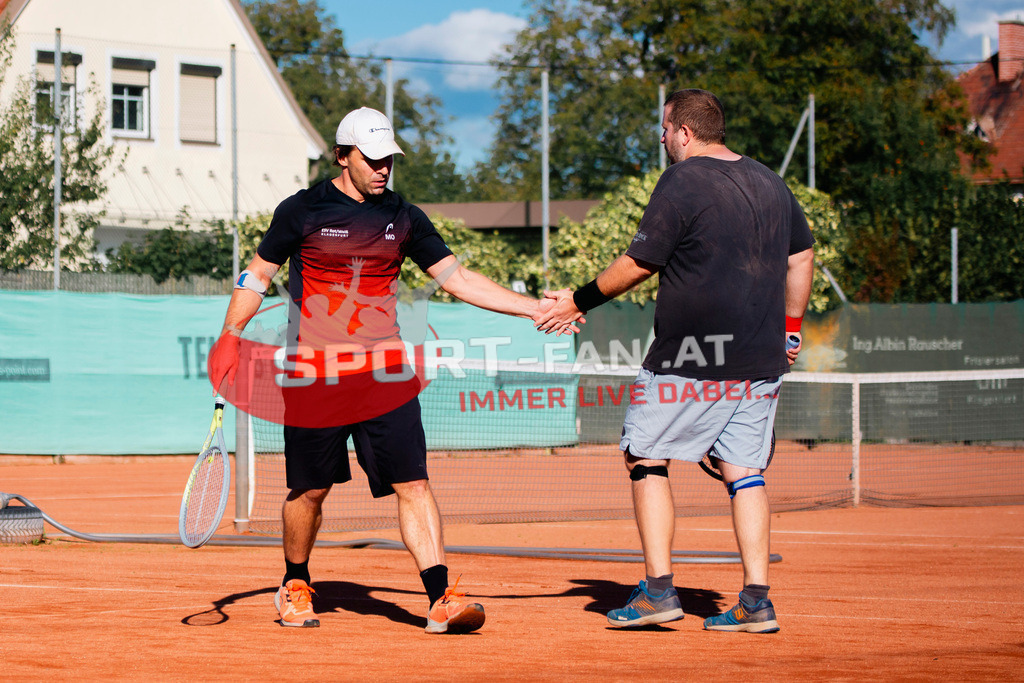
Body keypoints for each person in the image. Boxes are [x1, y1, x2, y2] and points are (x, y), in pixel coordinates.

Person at [209, 107, 565, 634]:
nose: (382, 169)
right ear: (342, 156)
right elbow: (258, 275)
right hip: (315, 375)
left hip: (385, 374)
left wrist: (533, 308)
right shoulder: (301, 211)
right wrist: (231, 333)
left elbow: (458, 279)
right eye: (371, 159)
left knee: (413, 483)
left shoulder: (405, 217)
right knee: (310, 491)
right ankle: (294, 583)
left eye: (388, 160)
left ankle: (440, 598)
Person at [536, 89, 814, 632]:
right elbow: (801, 255)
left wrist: (576, 301)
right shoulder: (771, 181)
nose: (662, 139)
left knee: (644, 456)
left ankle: (659, 591)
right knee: (745, 472)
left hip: (691, 354)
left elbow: (641, 261)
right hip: (763, 356)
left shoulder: (682, 179)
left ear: (684, 132)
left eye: (664, 130)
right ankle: (756, 601)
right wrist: (792, 328)